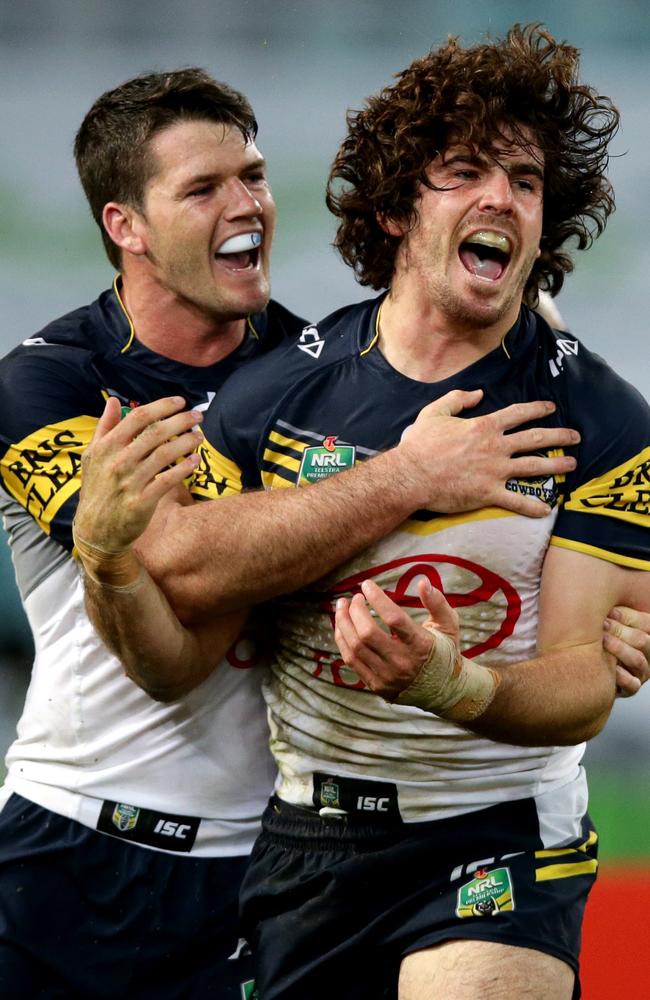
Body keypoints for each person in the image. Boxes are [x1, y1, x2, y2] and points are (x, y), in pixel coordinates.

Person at [70, 24, 650, 1000]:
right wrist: (110, 563)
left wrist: (446, 680)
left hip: (499, 841)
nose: (499, 197)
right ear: (392, 208)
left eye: (523, 180)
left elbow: (581, 688)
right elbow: (173, 662)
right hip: (309, 847)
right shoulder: (271, 401)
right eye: (463, 170)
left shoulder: (599, 419)